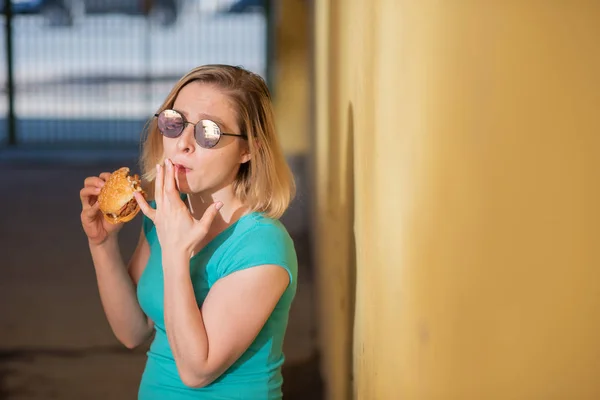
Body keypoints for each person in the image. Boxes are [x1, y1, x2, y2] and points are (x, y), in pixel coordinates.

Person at [79, 64, 298, 399]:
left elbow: (197, 370)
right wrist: (102, 243)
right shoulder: (165, 214)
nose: (182, 144)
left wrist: (176, 252)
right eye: (174, 122)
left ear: (248, 149)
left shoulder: (260, 244)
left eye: (208, 133)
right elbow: (133, 330)